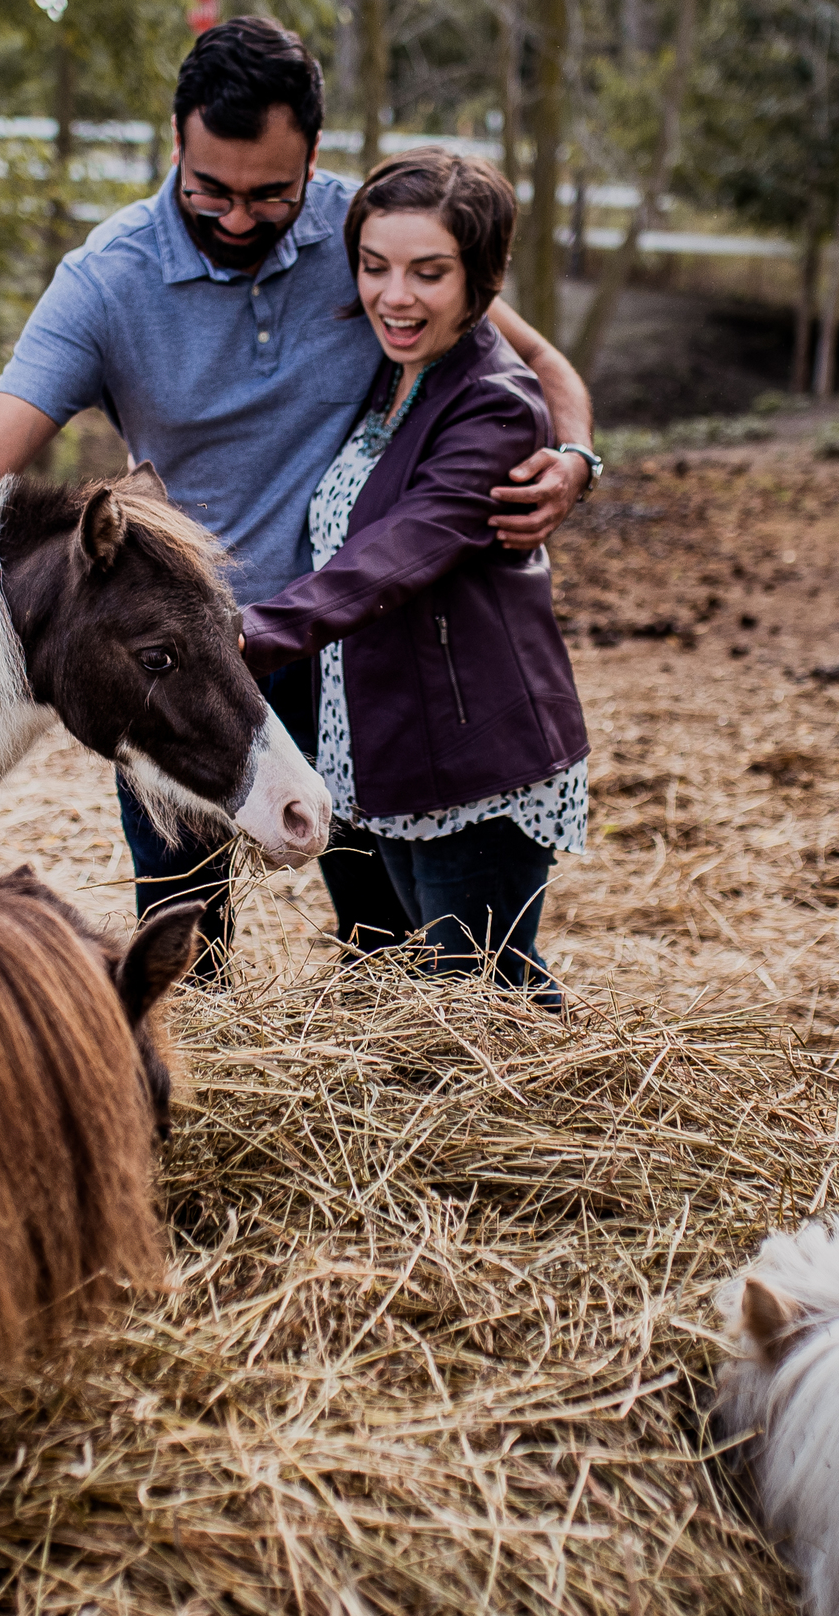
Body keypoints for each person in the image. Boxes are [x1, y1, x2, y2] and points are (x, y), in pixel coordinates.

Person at [0, 17, 602, 961]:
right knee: (185, 938)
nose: (236, 217)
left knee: (390, 941)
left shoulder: (374, 240)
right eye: (210, 192)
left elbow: (531, 358)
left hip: (354, 652)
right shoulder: (108, 280)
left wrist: (573, 460)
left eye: (268, 194)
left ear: (314, 159)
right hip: (180, 655)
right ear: (177, 144)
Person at [236, 148, 587, 1001]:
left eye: (429, 273)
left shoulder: (494, 404)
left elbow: (395, 553)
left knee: (486, 999)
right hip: (383, 745)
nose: (395, 296)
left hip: (473, 756)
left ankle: (582, 1135)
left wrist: (249, 636)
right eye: (374, 267)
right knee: (427, 999)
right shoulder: (396, 376)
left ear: (484, 279)